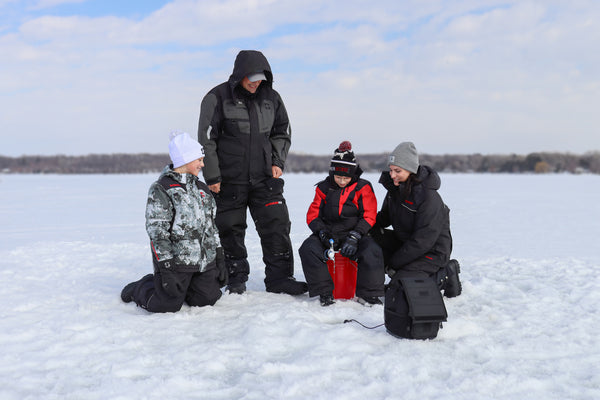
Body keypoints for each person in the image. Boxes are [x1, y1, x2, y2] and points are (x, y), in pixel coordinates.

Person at [197, 49, 307, 295]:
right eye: (252, 79)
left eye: (261, 79)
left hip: (265, 179)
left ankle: (280, 279)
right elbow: (207, 139)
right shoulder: (217, 97)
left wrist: (277, 161)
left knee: (277, 227)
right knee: (230, 230)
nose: (256, 84)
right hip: (228, 181)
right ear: (240, 75)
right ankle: (235, 279)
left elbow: (282, 131)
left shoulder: (272, 98)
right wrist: (212, 176)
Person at [120, 131, 227, 312]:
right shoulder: (162, 188)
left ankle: (189, 287)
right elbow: (157, 231)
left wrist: (219, 256)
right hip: (177, 263)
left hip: (202, 262)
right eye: (199, 160)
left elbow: (211, 227)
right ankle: (142, 287)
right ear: (185, 160)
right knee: (167, 305)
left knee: (207, 300)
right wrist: (166, 267)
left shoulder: (201, 189)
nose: (202, 164)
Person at [299, 141, 385, 306]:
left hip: (355, 234)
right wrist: (322, 232)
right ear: (332, 173)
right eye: (338, 177)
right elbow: (313, 214)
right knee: (308, 248)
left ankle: (369, 294)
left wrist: (356, 235)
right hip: (329, 233)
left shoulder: (363, 187)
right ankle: (324, 291)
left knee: (372, 250)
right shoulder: (323, 188)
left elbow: (369, 214)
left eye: (346, 177)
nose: (342, 181)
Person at [371, 142, 462, 297]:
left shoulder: (429, 198)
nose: (392, 175)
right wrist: (361, 227)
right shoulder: (396, 189)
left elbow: (423, 241)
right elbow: (384, 219)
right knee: (371, 238)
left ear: (410, 170)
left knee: (400, 288)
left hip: (433, 251)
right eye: (391, 170)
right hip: (406, 242)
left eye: (397, 171)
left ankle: (446, 274)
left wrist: (394, 263)